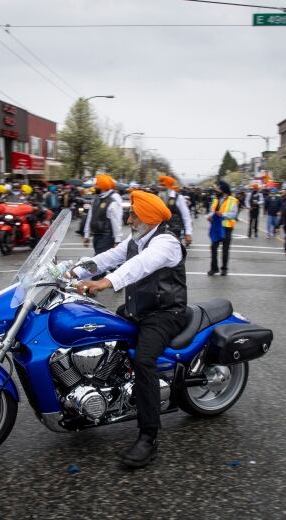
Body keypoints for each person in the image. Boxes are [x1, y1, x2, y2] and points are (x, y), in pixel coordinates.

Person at [68, 190, 188, 468]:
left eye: (134, 214)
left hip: (165, 314)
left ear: (147, 218)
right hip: (138, 311)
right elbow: (108, 256)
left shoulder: (166, 242)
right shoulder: (136, 240)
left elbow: (139, 266)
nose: (129, 218)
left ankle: (149, 436)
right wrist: (73, 271)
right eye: (130, 213)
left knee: (144, 361)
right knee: (96, 330)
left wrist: (104, 283)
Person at [83, 174, 123, 254]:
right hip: (96, 236)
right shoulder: (96, 199)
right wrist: (86, 234)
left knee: (100, 261)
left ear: (102, 186)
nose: (94, 186)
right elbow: (90, 217)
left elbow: (116, 221)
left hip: (107, 237)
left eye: (96, 185)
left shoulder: (113, 200)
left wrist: (117, 240)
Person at [207, 180, 238, 276]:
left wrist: (223, 214)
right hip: (216, 227)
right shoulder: (215, 199)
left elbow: (234, 214)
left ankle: (224, 268)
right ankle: (214, 268)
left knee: (225, 249)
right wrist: (209, 216)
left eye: (219, 188)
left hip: (227, 227)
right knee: (213, 247)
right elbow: (212, 211)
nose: (217, 190)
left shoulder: (233, 200)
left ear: (223, 189)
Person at [157, 175, 193, 245]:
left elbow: (186, 216)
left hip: (175, 231)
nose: (161, 187)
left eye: (163, 185)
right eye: (160, 185)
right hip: (160, 230)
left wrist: (188, 233)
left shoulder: (179, 198)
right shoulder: (159, 197)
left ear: (169, 186)